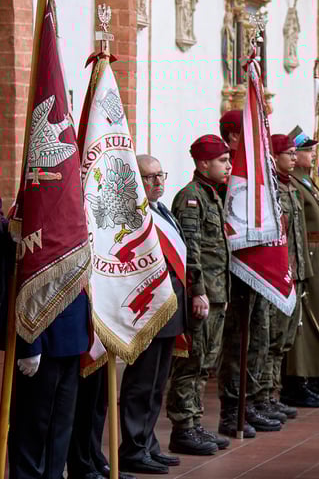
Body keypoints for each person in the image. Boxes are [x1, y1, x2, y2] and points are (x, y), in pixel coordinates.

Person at [216, 110, 284, 438]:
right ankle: (233, 410)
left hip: (256, 269)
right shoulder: (229, 177)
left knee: (258, 339)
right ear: (234, 136)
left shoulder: (255, 170)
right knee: (236, 344)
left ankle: (253, 401)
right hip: (235, 273)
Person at [118, 155, 188, 474]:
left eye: (161, 174)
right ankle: (133, 448)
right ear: (136, 180)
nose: (158, 181)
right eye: (149, 177)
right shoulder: (132, 216)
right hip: (147, 310)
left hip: (169, 308)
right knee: (141, 383)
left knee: (158, 383)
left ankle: (148, 443)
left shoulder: (161, 210)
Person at [166, 135, 232, 455]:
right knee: (191, 362)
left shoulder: (211, 195)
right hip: (202, 294)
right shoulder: (191, 198)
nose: (228, 166)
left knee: (205, 362)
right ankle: (182, 428)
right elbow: (190, 252)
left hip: (216, 292)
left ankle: (194, 422)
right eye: (222, 160)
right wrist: (197, 291)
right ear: (203, 164)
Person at [7, 269, 90, 478]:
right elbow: (29, 275)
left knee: (61, 428)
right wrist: (30, 343)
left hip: (74, 332)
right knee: (32, 428)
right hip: (43, 337)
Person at [282, 128, 319, 408]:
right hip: (306, 255)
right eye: (303, 150)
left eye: (305, 150)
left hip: (317, 254)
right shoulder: (292, 183)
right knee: (304, 322)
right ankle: (299, 380)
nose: (309, 154)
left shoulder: (306, 181)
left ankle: (316, 374)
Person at [254, 134, 308, 420]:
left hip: (294, 272)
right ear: (274, 157)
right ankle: (262, 396)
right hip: (277, 275)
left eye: (295, 153)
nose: (294, 158)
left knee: (284, 340)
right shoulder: (268, 189)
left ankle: (272, 394)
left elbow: (298, 234)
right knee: (271, 339)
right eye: (289, 153)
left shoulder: (291, 187)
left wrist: (303, 272)